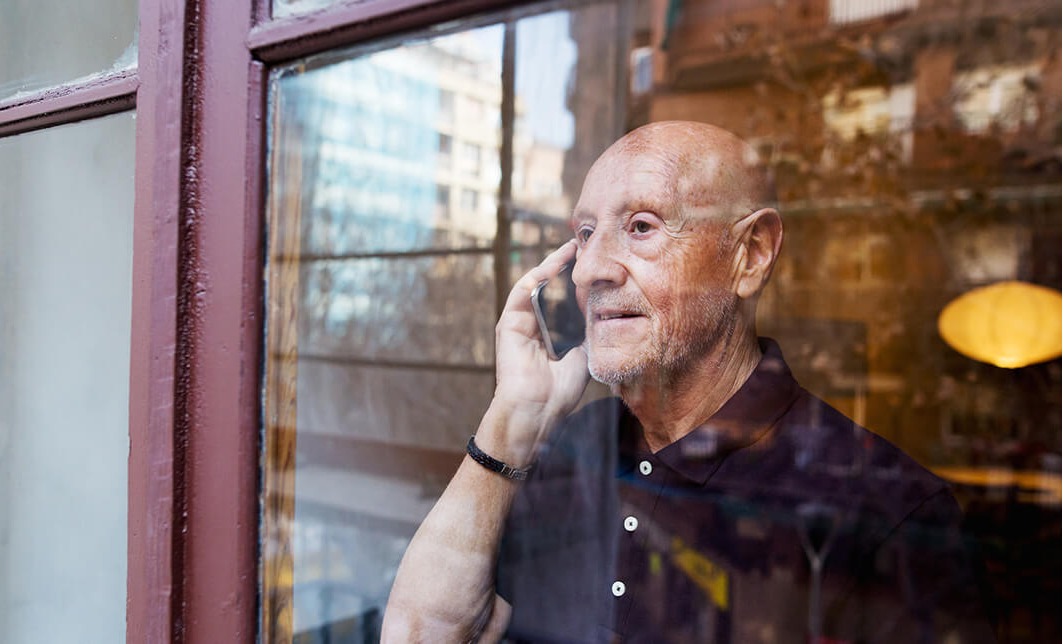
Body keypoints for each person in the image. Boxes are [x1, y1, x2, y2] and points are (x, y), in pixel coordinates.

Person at [382, 122, 995, 643]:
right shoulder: (570, 446)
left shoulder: (888, 514)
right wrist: (514, 417)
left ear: (750, 255)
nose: (589, 270)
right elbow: (419, 634)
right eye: (586, 234)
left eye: (641, 226)